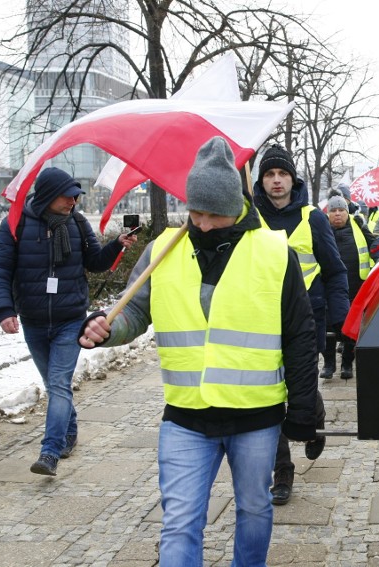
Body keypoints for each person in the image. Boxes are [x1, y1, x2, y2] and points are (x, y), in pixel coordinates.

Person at [77, 137, 318, 566]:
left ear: (237, 205)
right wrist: (107, 329)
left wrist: (302, 406)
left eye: (213, 213)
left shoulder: (273, 251)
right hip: (186, 417)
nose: (202, 223)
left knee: (255, 509)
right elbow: (134, 312)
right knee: (180, 521)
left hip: (255, 416)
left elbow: (299, 334)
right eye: (195, 211)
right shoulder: (162, 250)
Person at [0, 167, 137, 476]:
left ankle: (50, 451)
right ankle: (68, 431)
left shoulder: (77, 223)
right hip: (33, 320)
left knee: (57, 383)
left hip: (70, 319)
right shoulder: (15, 224)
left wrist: (117, 244)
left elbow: (95, 262)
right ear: (47, 196)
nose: (73, 201)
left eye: (75, 196)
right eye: (67, 195)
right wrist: (4, 310)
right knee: (55, 385)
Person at [253, 143, 350, 506]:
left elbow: (336, 270)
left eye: (283, 174)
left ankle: (314, 413)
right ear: (261, 181)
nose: (277, 181)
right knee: (270, 397)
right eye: (269, 175)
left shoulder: (314, 217)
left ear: (293, 179)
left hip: (308, 320)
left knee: (301, 390)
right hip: (260, 320)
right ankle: (283, 471)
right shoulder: (249, 217)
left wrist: (342, 318)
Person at [323, 195, 375, 379]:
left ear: (347, 211)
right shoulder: (321, 228)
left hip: (355, 286)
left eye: (341, 210)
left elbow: (375, 246)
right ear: (328, 213)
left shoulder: (359, 226)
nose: (337, 214)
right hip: (328, 288)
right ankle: (328, 364)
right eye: (333, 211)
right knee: (327, 327)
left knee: (351, 327)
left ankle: (347, 364)